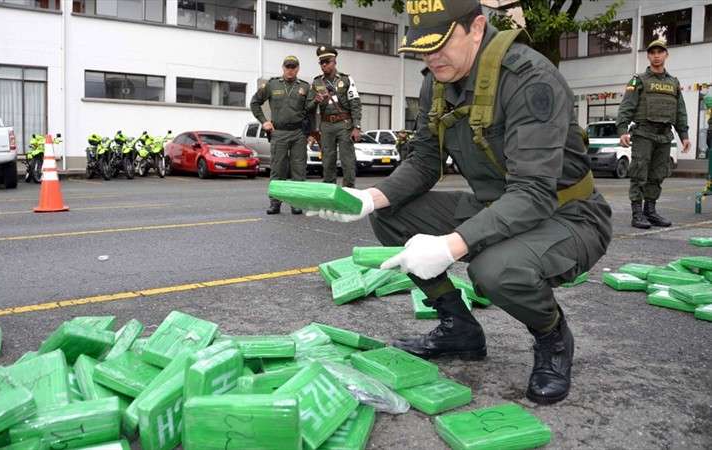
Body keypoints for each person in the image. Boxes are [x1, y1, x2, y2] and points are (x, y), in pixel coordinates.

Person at [305, 0, 612, 405]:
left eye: (442, 44)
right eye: (423, 47)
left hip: (567, 213)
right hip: (497, 205)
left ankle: (552, 337)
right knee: (391, 217)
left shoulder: (530, 78)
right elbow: (424, 162)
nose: (431, 57)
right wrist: (366, 198)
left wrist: (450, 245)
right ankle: (460, 328)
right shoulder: (437, 80)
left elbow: (534, 193)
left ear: (478, 28)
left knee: (494, 272)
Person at [616, 39, 690, 229]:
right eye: (652, 52)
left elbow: (680, 111)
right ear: (648, 56)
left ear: (666, 55)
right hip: (643, 133)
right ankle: (637, 214)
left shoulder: (673, 83)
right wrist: (623, 130)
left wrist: (684, 135)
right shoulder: (638, 80)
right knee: (639, 173)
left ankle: (650, 211)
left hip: (665, 136)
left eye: (660, 52)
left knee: (657, 175)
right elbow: (626, 106)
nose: (656, 56)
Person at [250, 55, 311, 215]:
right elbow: (254, 102)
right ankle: (275, 203)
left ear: (297, 69)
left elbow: (311, 112)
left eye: (293, 67)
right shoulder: (271, 85)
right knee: (278, 169)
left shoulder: (305, 87)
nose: (290, 70)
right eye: (287, 67)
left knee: (299, 170)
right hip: (279, 133)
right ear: (283, 68)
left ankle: (296, 203)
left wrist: (311, 133)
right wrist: (264, 121)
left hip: (298, 133)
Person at [307, 46, 362, 188]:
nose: (324, 65)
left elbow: (355, 103)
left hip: (344, 124)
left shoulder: (346, 79)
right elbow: (308, 108)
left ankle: (349, 192)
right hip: (326, 126)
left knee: (347, 160)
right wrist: (315, 101)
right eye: (321, 63)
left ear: (334, 61)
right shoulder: (317, 82)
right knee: (328, 161)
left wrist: (356, 127)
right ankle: (329, 194)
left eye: (327, 61)